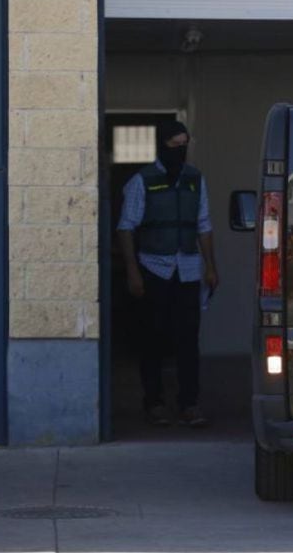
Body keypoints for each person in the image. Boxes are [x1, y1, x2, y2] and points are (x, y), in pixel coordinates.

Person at [117, 120, 218, 427]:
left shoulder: (195, 180)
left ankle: (190, 403)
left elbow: (204, 226)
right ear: (162, 145)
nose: (181, 151)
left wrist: (211, 267)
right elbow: (125, 228)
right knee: (153, 340)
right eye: (175, 145)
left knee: (188, 340)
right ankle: (155, 403)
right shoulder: (141, 181)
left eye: (185, 144)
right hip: (153, 268)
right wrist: (133, 273)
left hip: (187, 269)